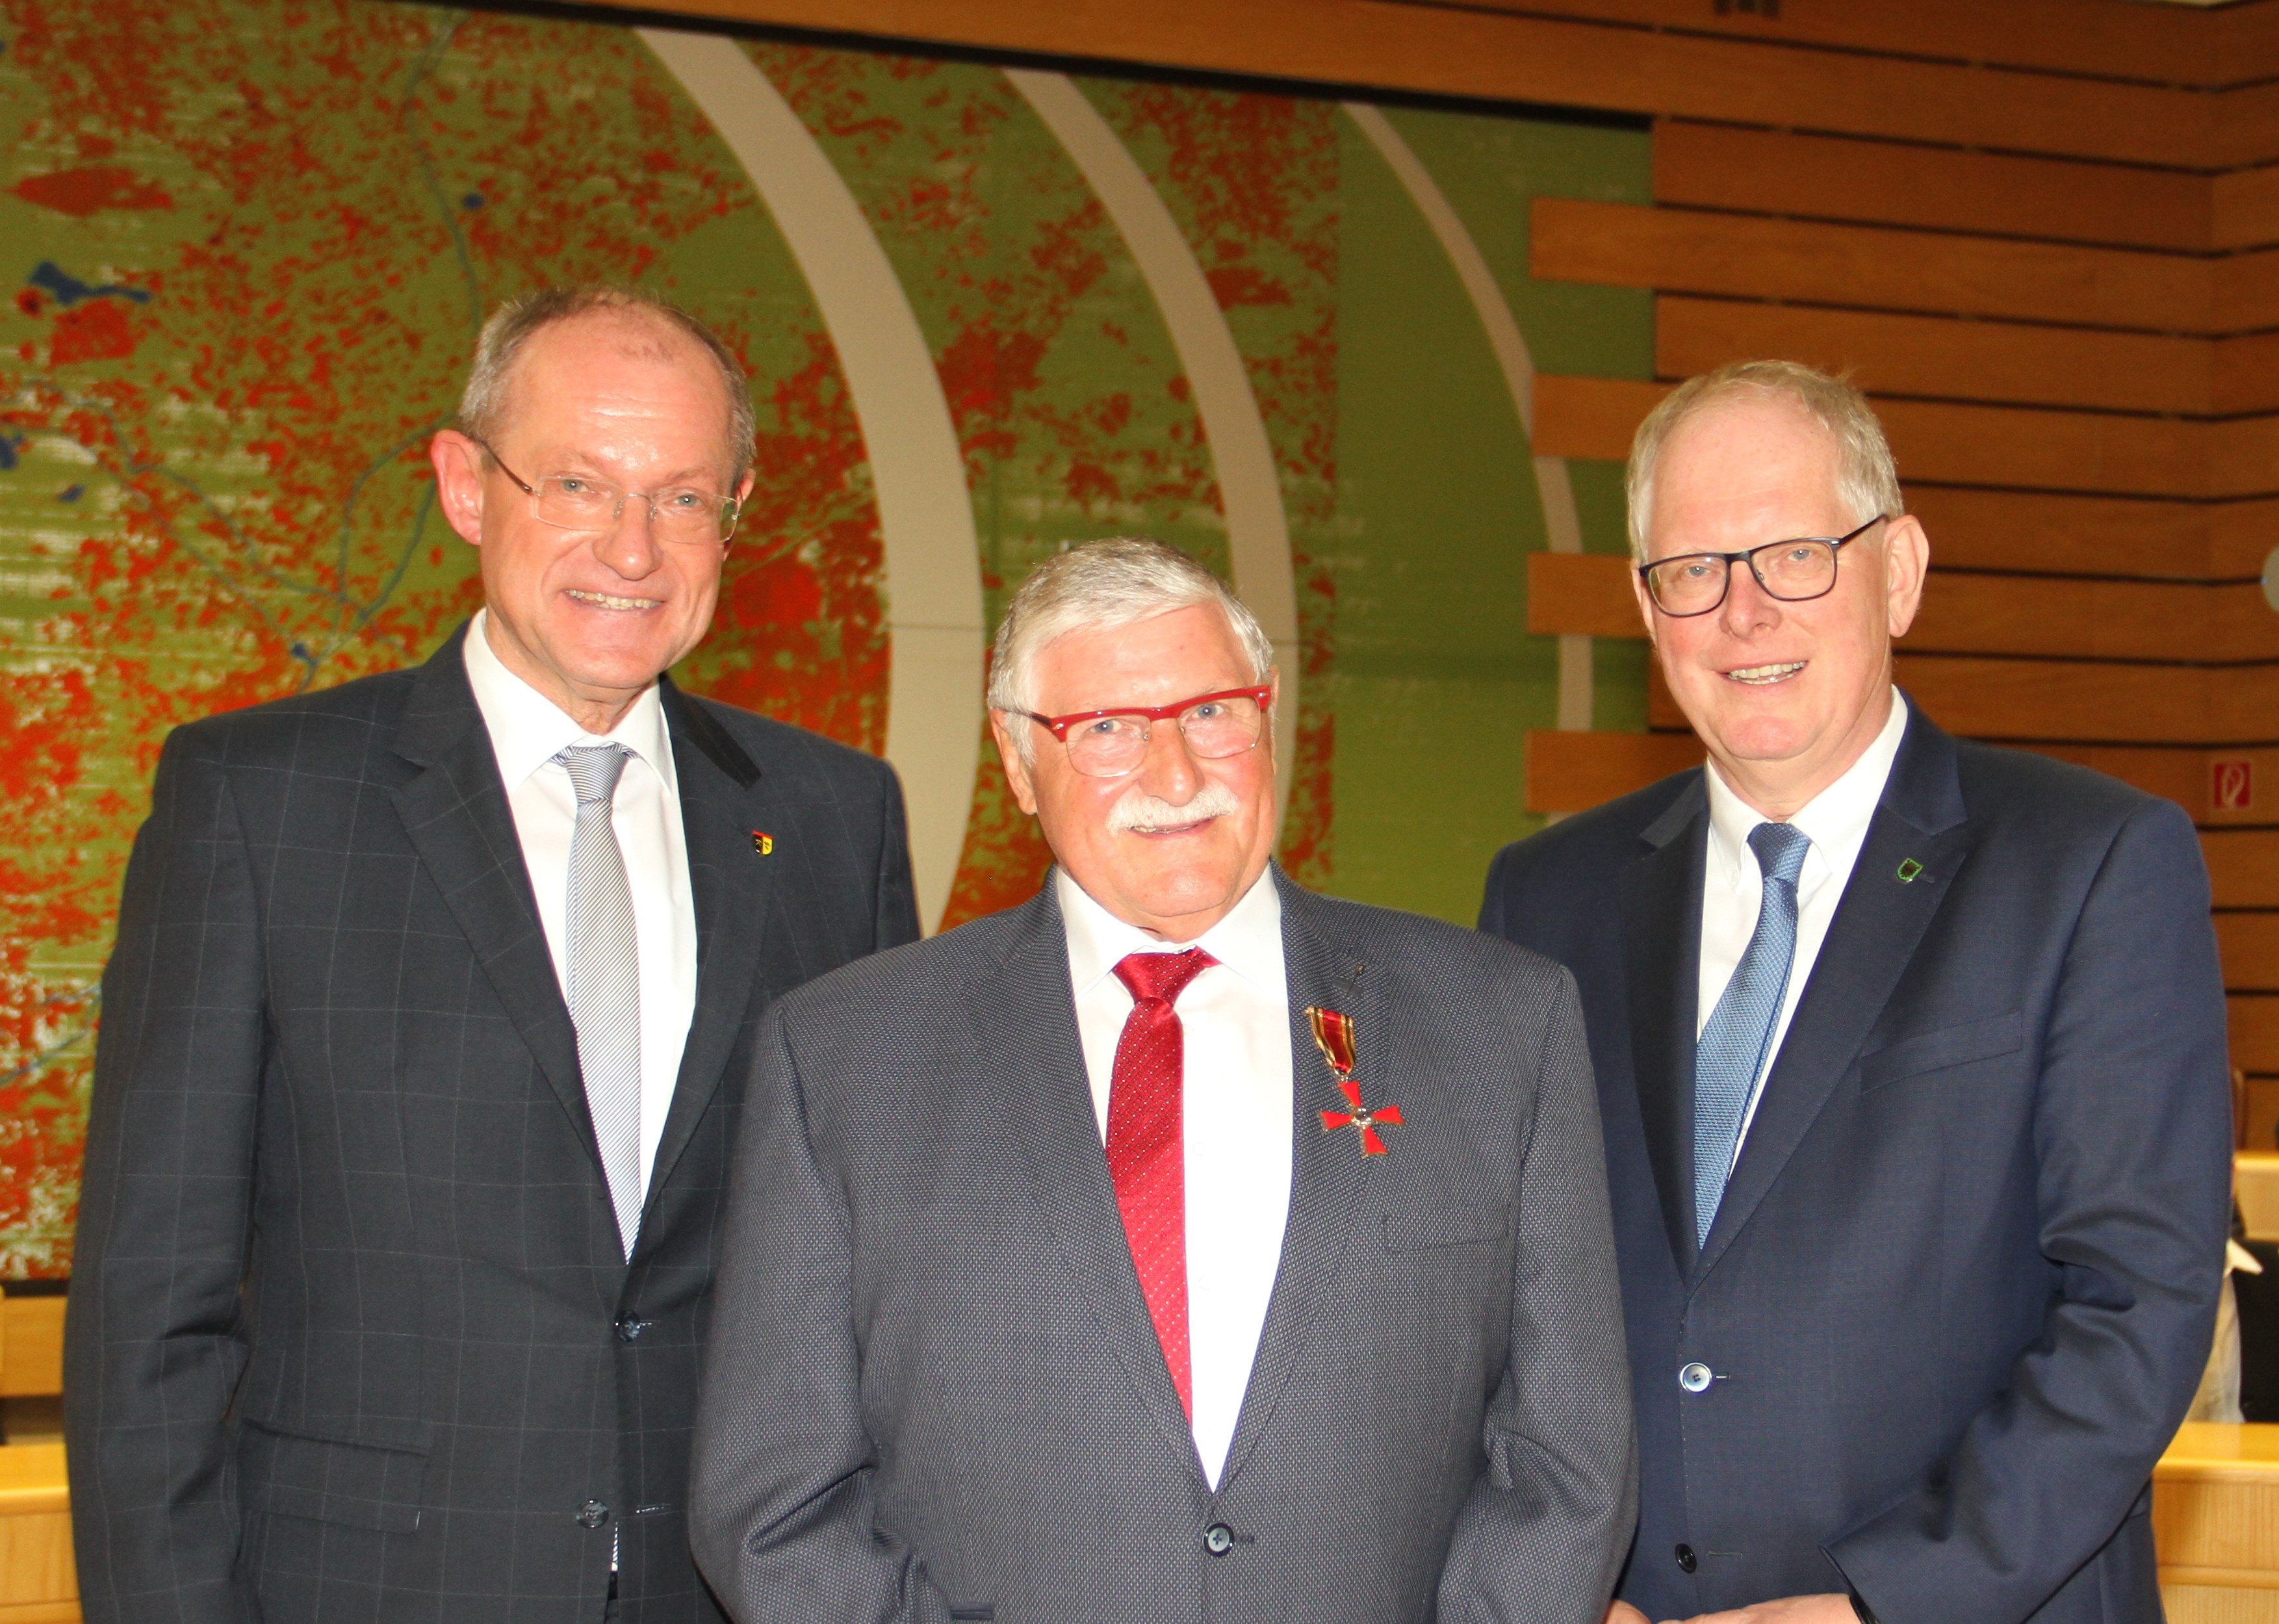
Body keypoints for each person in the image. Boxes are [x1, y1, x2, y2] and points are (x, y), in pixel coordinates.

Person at [66, 286, 920, 1624]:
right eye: (576, 483)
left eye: (682, 498)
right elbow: (149, 1310)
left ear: (734, 514)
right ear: (466, 486)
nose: (631, 548)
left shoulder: (830, 818)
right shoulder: (260, 802)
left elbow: (885, 1290)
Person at [688, 537, 1636, 1624]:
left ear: (1269, 719)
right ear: (1016, 761)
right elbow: (775, 1499)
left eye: (1211, 712)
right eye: (1107, 729)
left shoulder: (1502, 1024)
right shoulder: (844, 1056)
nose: (1176, 776)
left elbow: (1569, 1459)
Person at [1480, 361, 2233, 1624]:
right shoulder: (1544, 898)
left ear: (1898, 571)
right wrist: (1550, 1581)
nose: (1743, 614)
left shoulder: (2091, 863)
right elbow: (1493, 1308)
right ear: (1644, 607)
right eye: (1693, 569)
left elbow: (2135, 1307)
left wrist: (1880, 1604)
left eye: (1794, 556)